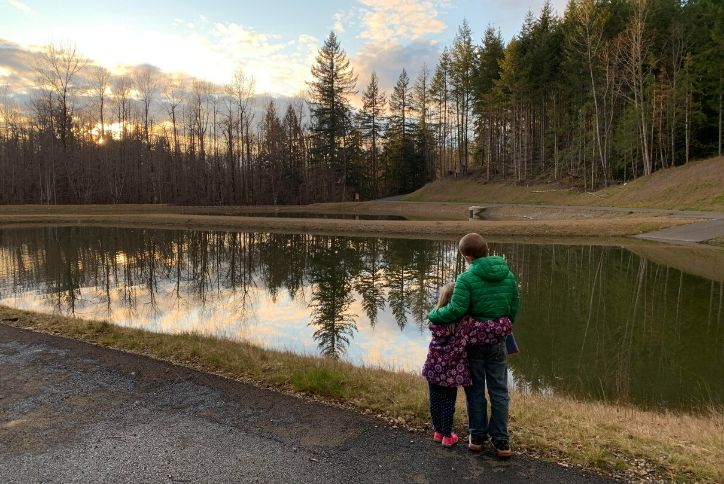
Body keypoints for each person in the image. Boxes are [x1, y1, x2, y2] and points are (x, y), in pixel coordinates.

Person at [427, 233, 520, 459]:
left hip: (474, 343)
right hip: (498, 341)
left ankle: (477, 437)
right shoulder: (508, 275)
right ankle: (501, 440)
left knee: (475, 390)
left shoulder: (466, 279)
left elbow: (456, 310)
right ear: (486, 250)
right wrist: (501, 326)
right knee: (499, 390)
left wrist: (434, 314)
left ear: (468, 256)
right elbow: (514, 306)